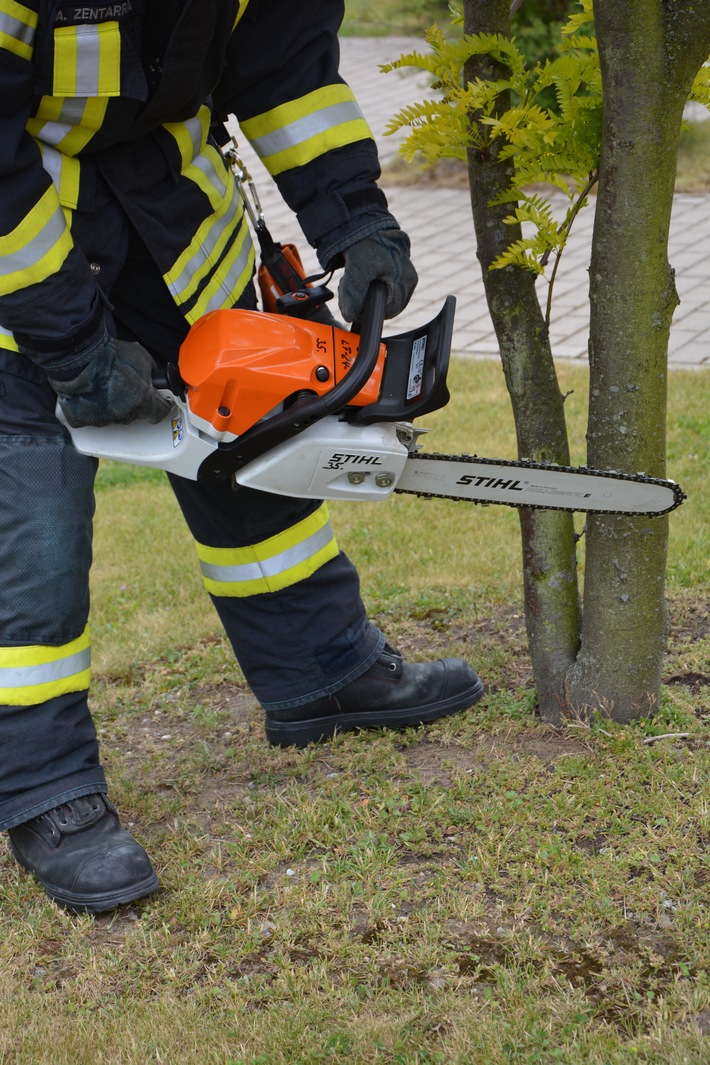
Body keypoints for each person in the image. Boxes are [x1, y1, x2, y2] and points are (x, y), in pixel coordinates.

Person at [0, 0, 484, 914]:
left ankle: (321, 671)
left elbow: (287, 74)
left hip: (175, 217)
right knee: (31, 518)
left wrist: (355, 219)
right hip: (18, 244)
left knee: (250, 447)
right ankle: (42, 783)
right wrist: (69, 343)